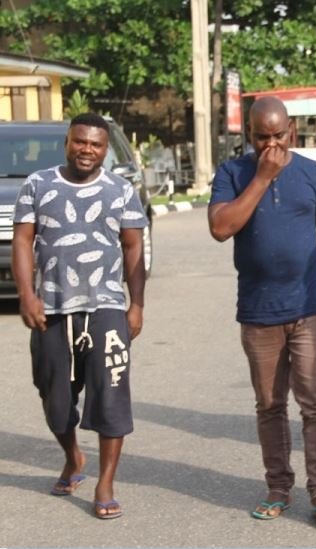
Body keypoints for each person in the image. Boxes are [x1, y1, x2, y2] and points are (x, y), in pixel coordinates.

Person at [208, 96, 316, 529]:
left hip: (309, 307)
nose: (272, 145)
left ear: (291, 132)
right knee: (270, 404)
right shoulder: (233, 173)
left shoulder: (314, 174)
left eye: (279, 136)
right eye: (262, 138)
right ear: (250, 136)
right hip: (258, 312)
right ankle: (278, 487)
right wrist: (261, 178)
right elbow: (221, 228)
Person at [12, 112, 147, 520]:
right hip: (51, 308)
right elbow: (22, 239)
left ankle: (105, 483)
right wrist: (26, 295)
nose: (87, 150)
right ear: (67, 142)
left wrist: (136, 303)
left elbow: (133, 249)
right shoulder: (38, 184)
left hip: (105, 306)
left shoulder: (120, 190)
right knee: (54, 399)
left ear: (106, 149)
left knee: (111, 393)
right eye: (80, 142)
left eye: (96, 144)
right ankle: (74, 458)